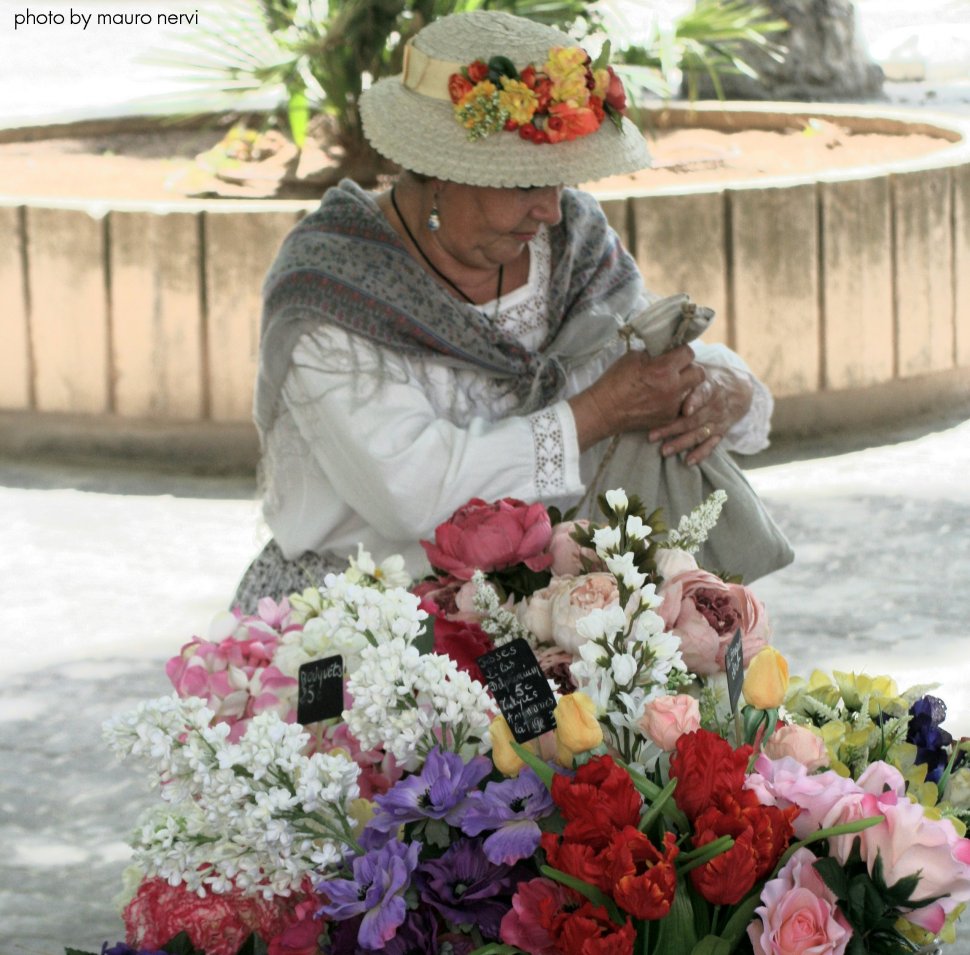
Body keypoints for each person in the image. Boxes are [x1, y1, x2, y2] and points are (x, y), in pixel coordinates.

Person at [233, 9, 787, 611]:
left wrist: (721, 388)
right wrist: (596, 412)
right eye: (524, 185)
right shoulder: (333, 288)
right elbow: (412, 494)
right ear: (440, 176)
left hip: (556, 608)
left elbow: (636, 353)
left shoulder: (572, 242)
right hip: (362, 618)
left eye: (560, 180)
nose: (549, 210)